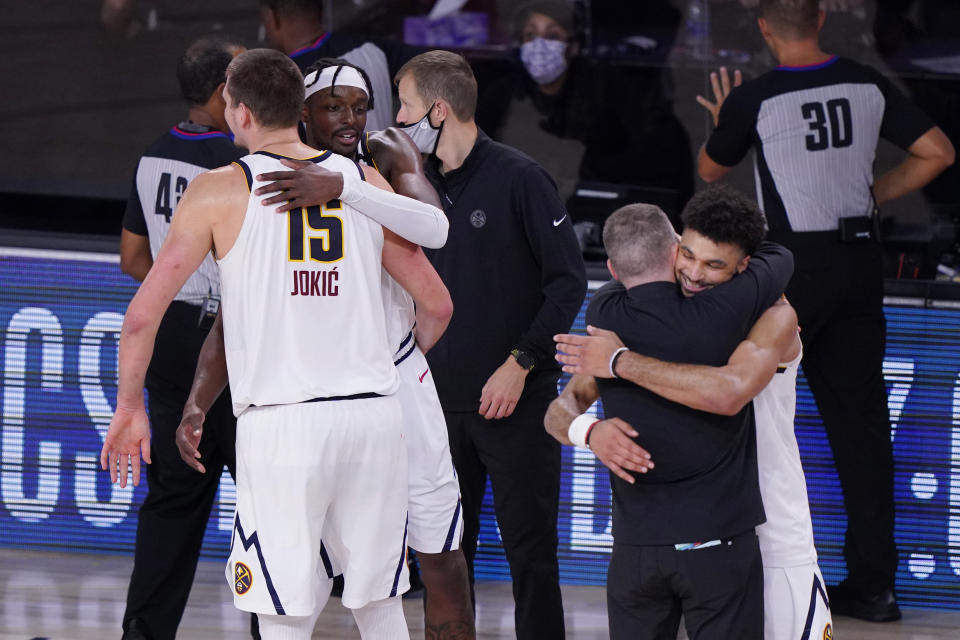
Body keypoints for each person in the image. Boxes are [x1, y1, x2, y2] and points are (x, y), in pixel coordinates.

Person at [100, 48, 451, 640]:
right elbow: (436, 302)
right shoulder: (357, 180)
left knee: (281, 612)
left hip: (283, 426)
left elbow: (142, 317)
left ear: (237, 113)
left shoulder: (217, 190)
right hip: (372, 418)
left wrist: (131, 407)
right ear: (300, 109)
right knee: (379, 605)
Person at [696, 0, 955, 621]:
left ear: (764, 28)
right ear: (820, 22)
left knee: (745, 408)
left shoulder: (753, 97)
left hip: (793, 270)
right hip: (860, 261)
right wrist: (869, 194)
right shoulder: (866, 81)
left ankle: (732, 569)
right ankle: (875, 586)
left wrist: (721, 122)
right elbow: (939, 152)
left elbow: (711, 171)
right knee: (862, 430)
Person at [549, 184, 833, 640]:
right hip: (693, 533)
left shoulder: (772, 315)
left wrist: (622, 361)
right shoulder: (641, 322)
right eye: (689, 255)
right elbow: (562, 408)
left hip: (775, 531)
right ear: (674, 246)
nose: (695, 274)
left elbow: (730, 391)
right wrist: (590, 431)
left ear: (745, 267)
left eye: (714, 264)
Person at [393, 49, 587, 638]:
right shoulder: (410, 184)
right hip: (437, 405)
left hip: (517, 404)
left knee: (532, 554)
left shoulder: (521, 178)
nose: (398, 120)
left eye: (405, 107)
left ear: (439, 109)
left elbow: (568, 281)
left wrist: (520, 363)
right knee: (446, 556)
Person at [116, 37, 245, 640]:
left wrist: (178, 286)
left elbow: (132, 257)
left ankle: (143, 632)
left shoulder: (150, 155)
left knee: (173, 497)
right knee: (266, 495)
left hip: (170, 337)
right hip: (234, 342)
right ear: (226, 91)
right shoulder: (241, 163)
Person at [477, 0, 693, 217]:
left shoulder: (604, 102)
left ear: (573, 46)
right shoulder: (511, 100)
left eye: (552, 36)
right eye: (530, 36)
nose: (539, 47)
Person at [258, 0, 414, 133]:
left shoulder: (276, 84)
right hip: (383, 166)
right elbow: (435, 72)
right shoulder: (374, 49)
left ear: (273, 17)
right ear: (322, 12)